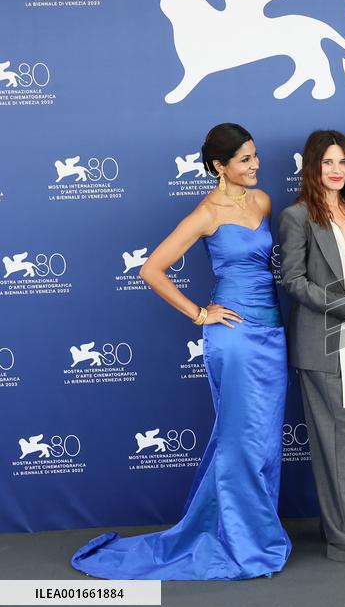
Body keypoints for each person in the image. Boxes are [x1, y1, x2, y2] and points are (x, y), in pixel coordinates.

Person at [72, 123, 291, 579]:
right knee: (239, 442)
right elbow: (152, 269)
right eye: (245, 159)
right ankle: (240, 543)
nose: (255, 165)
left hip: (271, 334)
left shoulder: (263, 201)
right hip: (232, 339)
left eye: (255, 156)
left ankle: (255, 533)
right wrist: (198, 314)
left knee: (265, 442)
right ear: (219, 166)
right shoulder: (206, 213)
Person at [279, 130, 345, 562]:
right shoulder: (297, 216)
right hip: (323, 344)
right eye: (327, 163)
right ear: (311, 167)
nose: (336, 171)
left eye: (342, 162)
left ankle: (342, 529)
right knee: (343, 441)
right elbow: (293, 279)